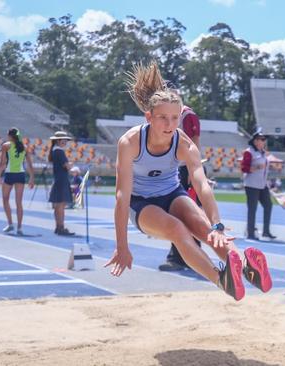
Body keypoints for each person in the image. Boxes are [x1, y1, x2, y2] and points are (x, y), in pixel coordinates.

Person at [106, 61, 272, 301]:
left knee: (204, 227)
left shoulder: (183, 143)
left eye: (175, 118)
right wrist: (122, 245)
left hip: (173, 193)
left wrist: (217, 223)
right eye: (163, 118)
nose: (169, 125)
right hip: (140, 203)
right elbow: (122, 196)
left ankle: (246, 264)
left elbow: (201, 183)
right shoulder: (130, 142)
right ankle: (221, 279)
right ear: (149, 117)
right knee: (177, 229)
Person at [159, 98, 204, 271]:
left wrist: (194, 169)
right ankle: (186, 257)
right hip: (176, 169)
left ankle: (187, 258)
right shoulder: (168, 114)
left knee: (188, 214)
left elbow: (195, 141)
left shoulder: (187, 114)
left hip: (186, 169)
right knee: (177, 214)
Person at [0, 128, 35, 236]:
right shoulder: (25, 147)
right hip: (20, 175)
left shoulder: (6, 145)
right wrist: (31, 178)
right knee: (19, 202)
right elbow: (29, 164)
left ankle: (10, 223)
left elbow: (3, 163)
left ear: (9, 136)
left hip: (9, 174)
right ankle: (20, 227)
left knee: (5, 199)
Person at [241, 128, 276, 241]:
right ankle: (250, 232)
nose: (264, 141)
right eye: (262, 139)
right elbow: (243, 168)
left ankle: (266, 231)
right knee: (252, 209)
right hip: (251, 185)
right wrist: (256, 168)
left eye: (264, 139)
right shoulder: (249, 152)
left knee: (268, 205)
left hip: (262, 184)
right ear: (255, 141)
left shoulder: (263, 153)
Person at [48, 131, 76, 236]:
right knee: (61, 205)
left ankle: (58, 226)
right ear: (58, 140)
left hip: (58, 179)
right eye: (63, 140)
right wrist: (71, 165)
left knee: (57, 205)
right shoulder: (59, 151)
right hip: (62, 180)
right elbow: (67, 166)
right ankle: (61, 227)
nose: (65, 141)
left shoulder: (55, 151)